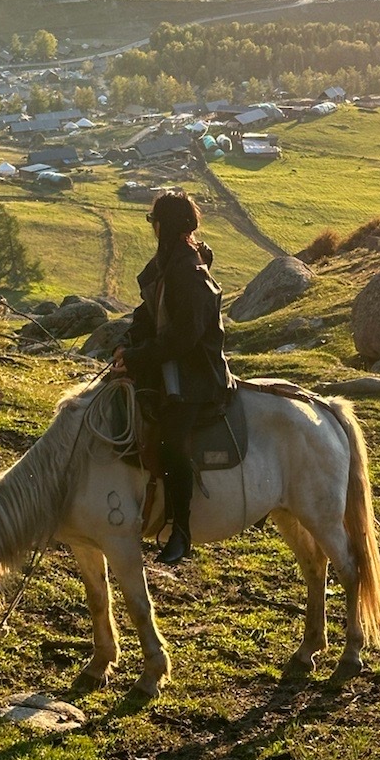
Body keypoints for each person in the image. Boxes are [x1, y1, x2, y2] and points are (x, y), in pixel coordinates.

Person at [113, 191, 235, 565]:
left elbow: (185, 336)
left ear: (165, 225)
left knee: (170, 441)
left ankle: (181, 529)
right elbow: (150, 312)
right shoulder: (168, 264)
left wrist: (138, 357)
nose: (153, 228)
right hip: (171, 363)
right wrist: (127, 342)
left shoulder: (191, 272)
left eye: (154, 221)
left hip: (196, 373)